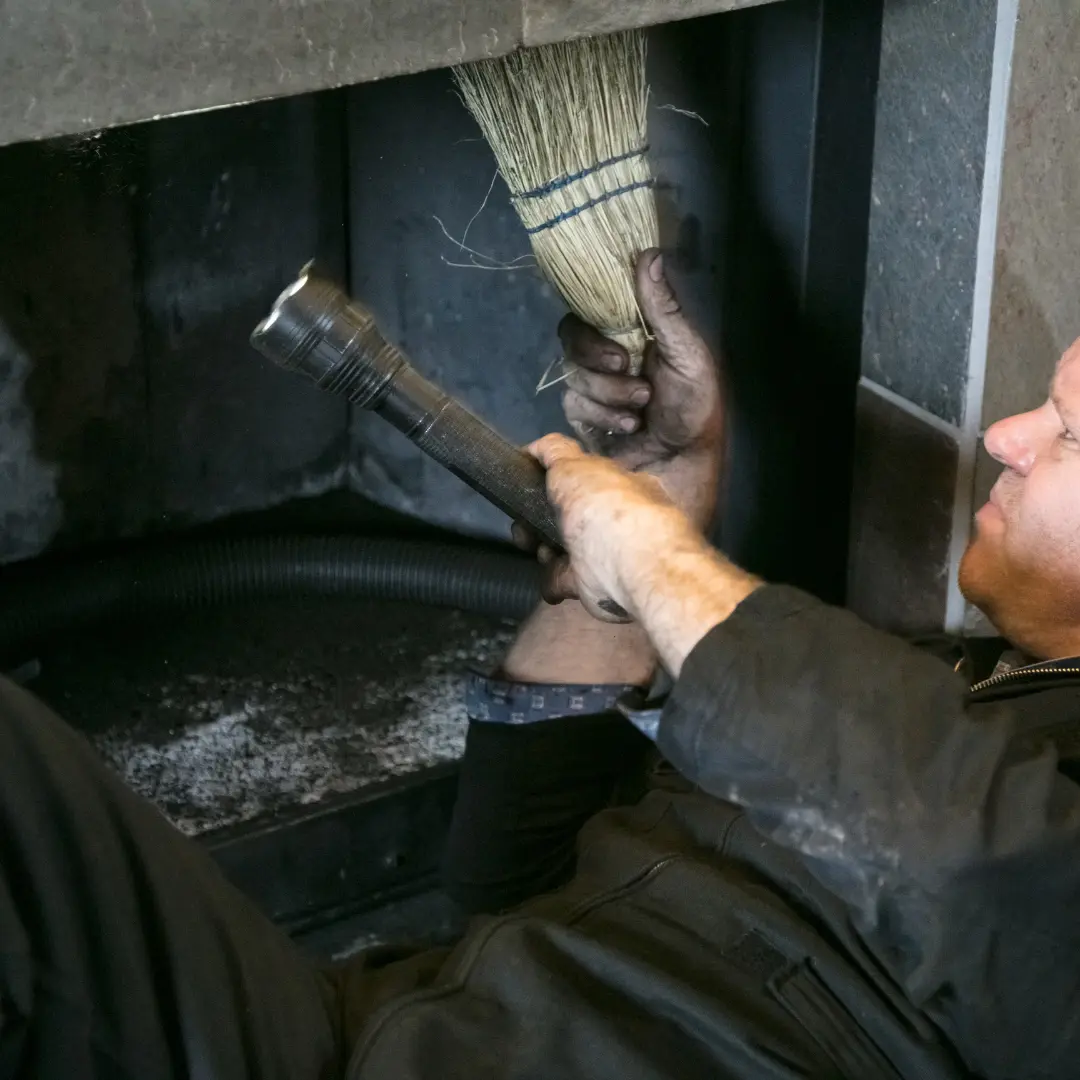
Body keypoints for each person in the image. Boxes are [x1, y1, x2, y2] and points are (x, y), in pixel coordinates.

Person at [1, 249, 1078, 1080]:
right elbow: (511, 887)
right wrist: (650, 520)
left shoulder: (972, 792)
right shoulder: (955, 684)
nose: (1006, 436)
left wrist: (662, 563)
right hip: (376, 1033)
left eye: (1068, 433)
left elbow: (1005, 903)